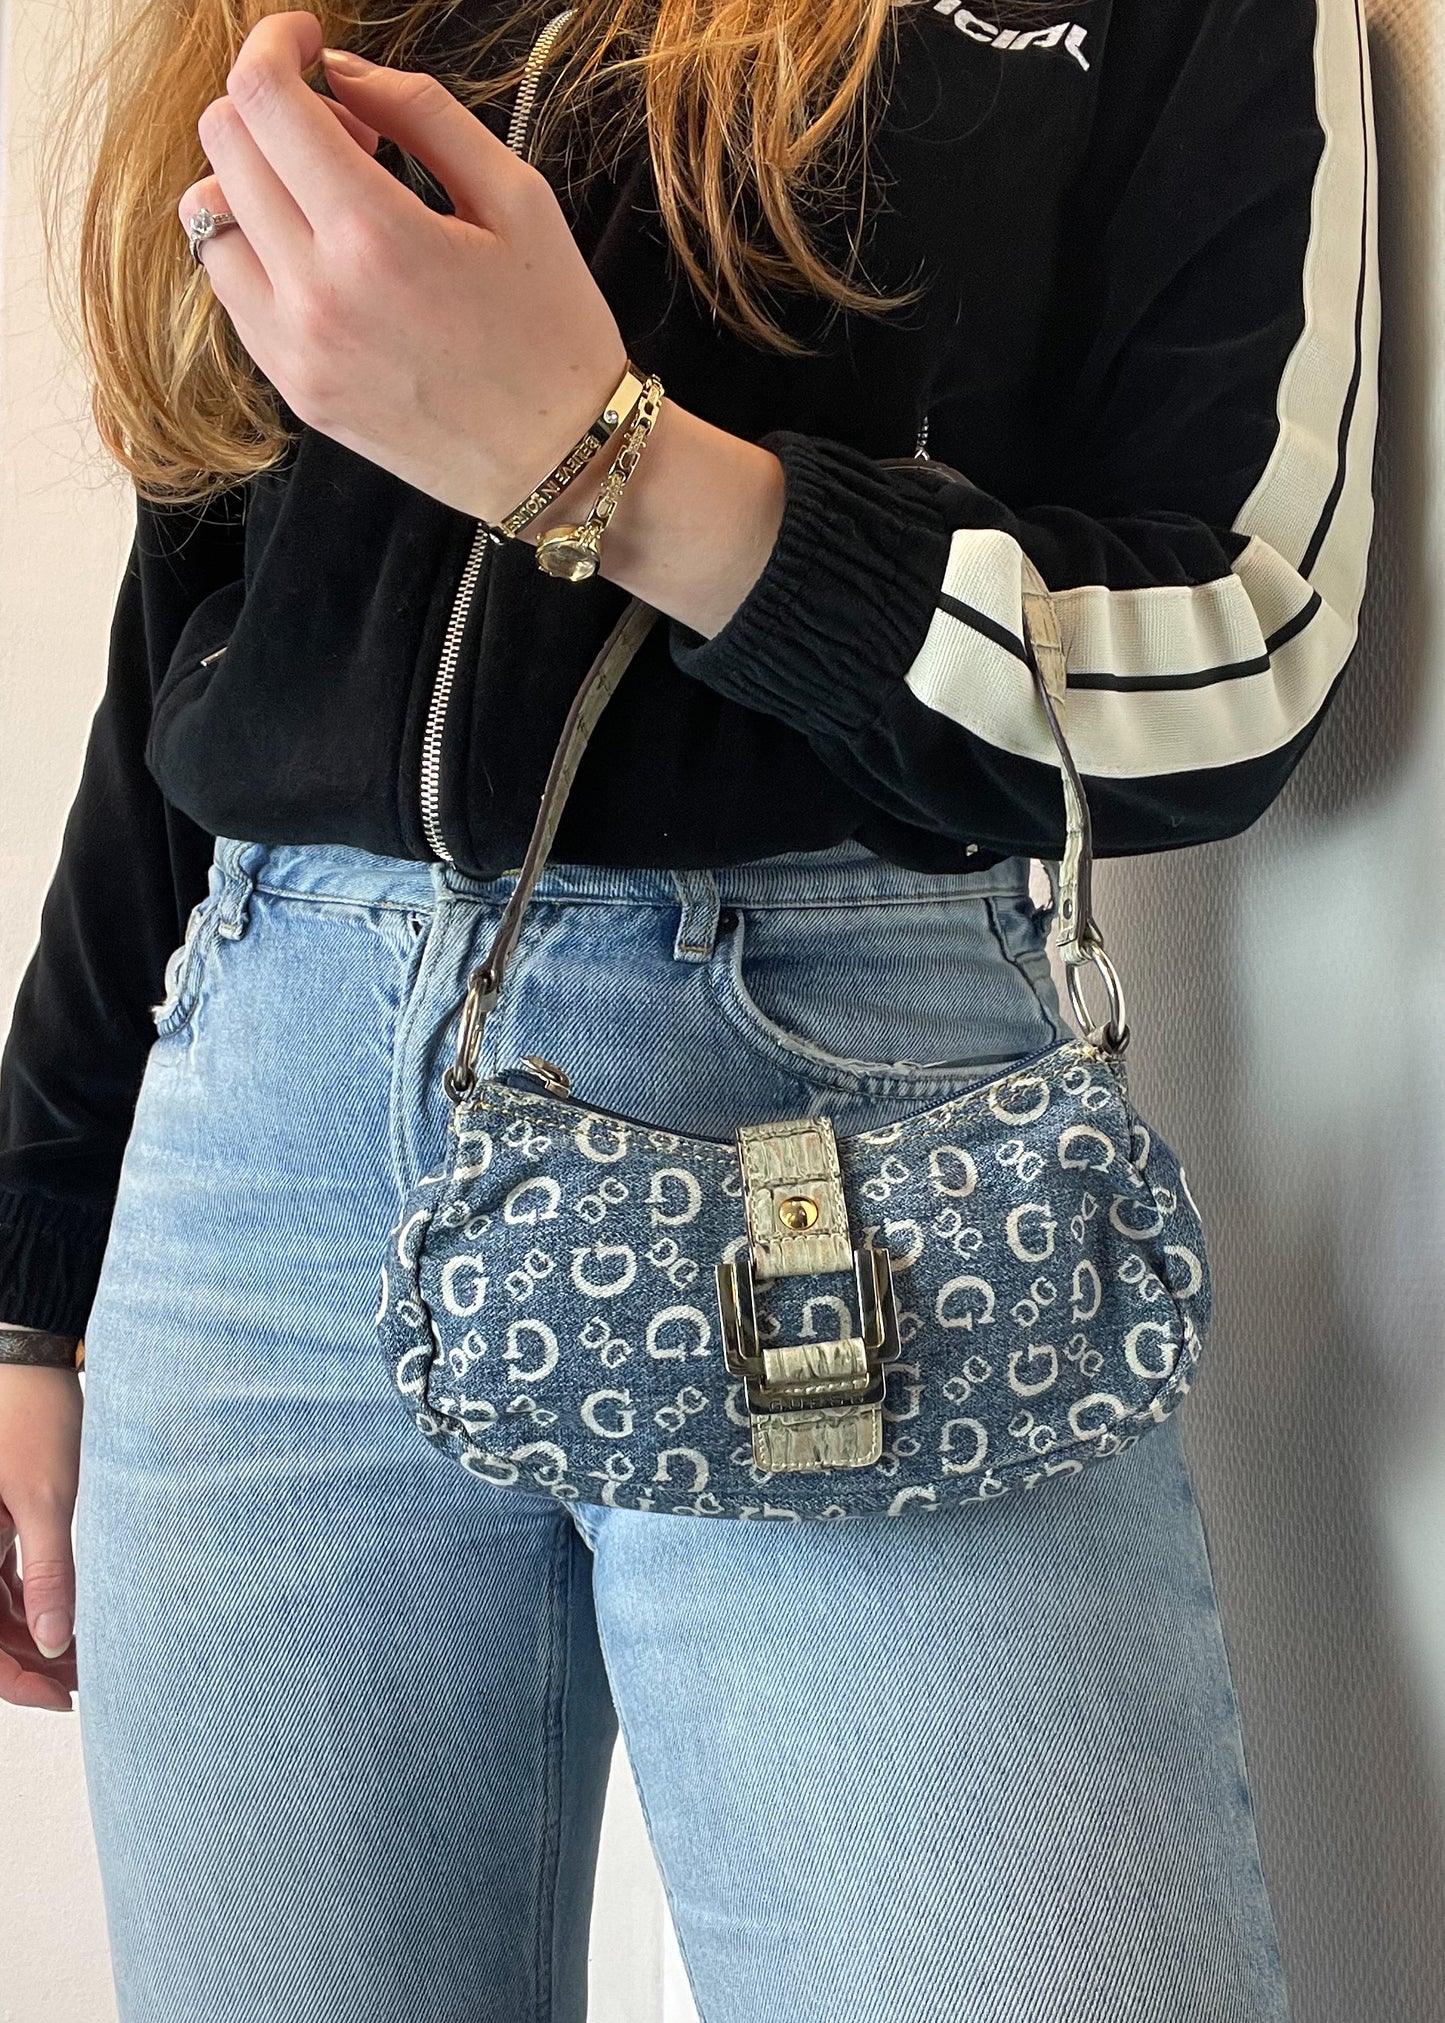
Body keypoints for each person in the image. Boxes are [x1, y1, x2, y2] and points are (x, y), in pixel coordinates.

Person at [0, 0, 1375, 2015]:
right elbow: (187, 638)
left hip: (847, 1133)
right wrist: (30, 1277)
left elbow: (1235, 646)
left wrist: (609, 465)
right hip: (263, 1121)